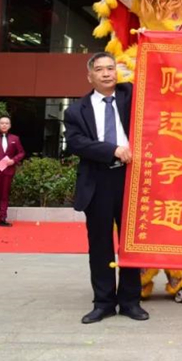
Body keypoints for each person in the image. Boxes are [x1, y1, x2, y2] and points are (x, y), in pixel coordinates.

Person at [64, 52, 146, 325]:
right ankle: (103, 303)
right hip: (97, 180)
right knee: (100, 244)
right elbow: (76, 143)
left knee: (131, 243)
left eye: (111, 68)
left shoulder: (130, 95)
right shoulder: (76, 110)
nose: (107, 73)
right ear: (90, 76)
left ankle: (131, 301)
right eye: (99, 69)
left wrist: (149, 39)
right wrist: (112, 150)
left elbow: (154, 80)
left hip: (130, 178)